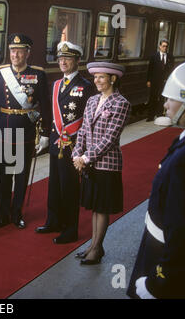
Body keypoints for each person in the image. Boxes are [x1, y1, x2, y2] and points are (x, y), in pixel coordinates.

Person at [127, 61, 185, 299]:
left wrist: (159, 284)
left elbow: (183, 229)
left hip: (162, 258)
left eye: (171, 99)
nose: (165, 105)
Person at [0, 33, 51, 229]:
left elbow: (45, 106)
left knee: (20, 176)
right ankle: (1, 215)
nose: (15, 55)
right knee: (2, 177)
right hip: (3, 130)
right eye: (13, 51)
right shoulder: (0, 73)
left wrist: (46, 133)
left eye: (19, 51)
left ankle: (16, 214)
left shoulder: (38, 75)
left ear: (27, 53)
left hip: (25, 131)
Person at [72, 62, 131, 265]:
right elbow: (82, 130)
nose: (96, 81)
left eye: (101, 77)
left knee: (102, 208)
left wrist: (86, 158)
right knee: (95, 207)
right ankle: (93, 246)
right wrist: (76, 153)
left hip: (107, 164)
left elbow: (110, 138)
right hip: (90, 163)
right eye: (95, 77)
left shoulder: (120, 103)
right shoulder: (92, 100)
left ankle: (96, 249)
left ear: (112, 79)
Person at [35, 41, 94, 244]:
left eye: (67, 58)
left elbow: (88, 119)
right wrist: (45, 135)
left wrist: (85, 148)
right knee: (54, 184)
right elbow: (51, 114)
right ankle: (53, 221)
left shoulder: (86, 86)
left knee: (69, 187)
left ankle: (70, 229)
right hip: (55, 141)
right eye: (60, 58)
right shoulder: (56, 85)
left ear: (77, 60)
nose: (63, 62)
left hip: (74, 143)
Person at [146, 39, 174, 121]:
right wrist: (148, 80)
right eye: (163, 46)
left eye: (166, 46)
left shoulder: (170, 57)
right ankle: (150, 116)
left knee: (162, 98)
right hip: (154, 81)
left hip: (164, 82)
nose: (165, 48)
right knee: (153, 98)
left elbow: (171, 69)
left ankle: (160, 114)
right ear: (159, 46)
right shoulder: (154, 56)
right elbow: (150, 69)